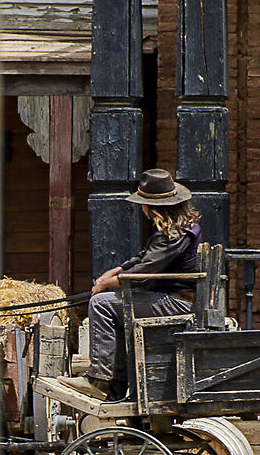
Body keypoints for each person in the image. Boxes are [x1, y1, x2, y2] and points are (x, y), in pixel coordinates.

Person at [86, 167, 204, 399]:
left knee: (101, 304)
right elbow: (143, 257)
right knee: (113, 309)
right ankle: (116, 388)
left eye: (142, 203)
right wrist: (114, 271)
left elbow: (144, 271)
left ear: (151, 207)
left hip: (176, 302)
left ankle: (100, 379)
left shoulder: (175, 233)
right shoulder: (173, 230)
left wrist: (107, 284)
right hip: (172, 298)